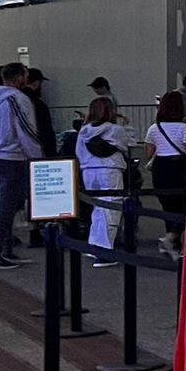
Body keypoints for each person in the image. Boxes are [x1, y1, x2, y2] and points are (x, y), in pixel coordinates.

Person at [0, 61, 45, 267]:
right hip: (12, 158)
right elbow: (26, 131)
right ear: (20, 77)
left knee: (3, 204)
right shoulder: (17, 99)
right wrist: (36, 157)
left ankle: (6, 250)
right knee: (7, 208)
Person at [76, 95, 132, 263]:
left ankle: (94, 245)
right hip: (110, 170)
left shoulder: (83, 131)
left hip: (88, 171)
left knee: (97, 209)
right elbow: (127, 145)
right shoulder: (115, 130)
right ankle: (104, 252)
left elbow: (78, 152)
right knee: (111, 209)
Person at [145, 90, 186, 259]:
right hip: (180, 168)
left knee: (167, 206)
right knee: (184, 206)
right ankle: (174, 239)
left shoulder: (154, 128)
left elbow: (148, 154)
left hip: (160, 169)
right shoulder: (184, 129)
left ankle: (172, 242)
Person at [21, 70, 54, 246]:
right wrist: (51, 155)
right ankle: (35, 231)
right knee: (36, 194)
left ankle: (9, 235)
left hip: (11, 156)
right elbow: (46, 133)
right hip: (36, 155)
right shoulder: (37, 105)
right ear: (36, 83)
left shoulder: (12, 102)